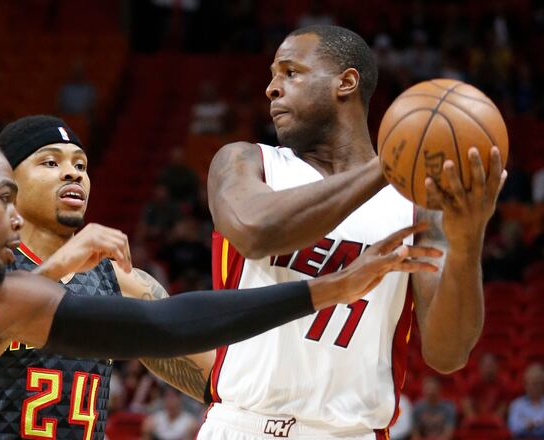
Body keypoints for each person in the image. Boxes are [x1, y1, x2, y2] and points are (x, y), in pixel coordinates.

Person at [0, 127, 435, 438]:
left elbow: (169, 330)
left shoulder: (13, 302)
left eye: (82, 162)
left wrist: (325, 292)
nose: (74, 175)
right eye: (8, 193)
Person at [200, 25, 506, 439]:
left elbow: (448, 353)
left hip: (352, 431)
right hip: (244, 424)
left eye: (290, 72)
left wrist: (469, 239)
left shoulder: (417, 208)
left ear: (346, 82)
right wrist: (393, 160)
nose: (271, 89)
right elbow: (257, 231)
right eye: (272, 75)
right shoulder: (245, 162)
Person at [0, 116, 213, 438]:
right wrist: (55, 270)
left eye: (81, 165)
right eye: (50, 162)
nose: (73, 173)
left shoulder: (122, 280)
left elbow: (214, 375)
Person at [508, 363, 544, 438]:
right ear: (525, 384)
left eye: (538, 383)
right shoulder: (516, 405)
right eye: (532, 383)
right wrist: (527, 426)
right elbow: (513, 429)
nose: (535, 387)